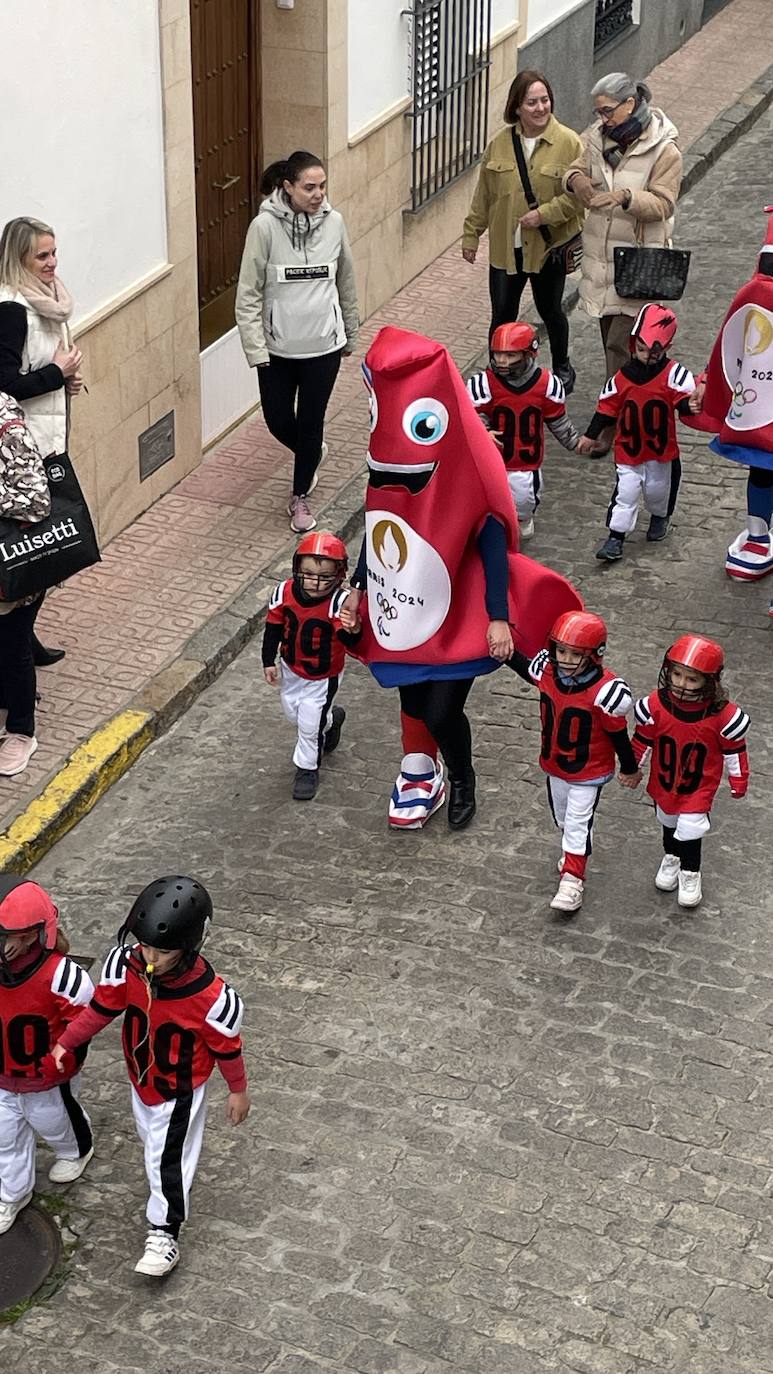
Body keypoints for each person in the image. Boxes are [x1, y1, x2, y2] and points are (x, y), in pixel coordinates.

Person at [339, 325, 582, 832]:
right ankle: (419, 771)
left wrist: (498, 620)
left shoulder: (473, 488)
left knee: (443, 709)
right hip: (406, 610)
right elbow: (378, 532)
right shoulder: (392, 484)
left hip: (462, 614)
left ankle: (463, 777)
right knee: (410, 692)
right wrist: (358, 589)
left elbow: (495, 555)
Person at [52, 876, 250, 1277]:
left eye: (162, 951)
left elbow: (227, 1048)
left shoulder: (211, 999)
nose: (150, 957)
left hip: (179, 1091)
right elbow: (101, 1010)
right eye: (144, 945)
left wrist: (238, 1091)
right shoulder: (126, 967)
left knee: (166, 1159)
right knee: (153, 1148)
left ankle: (165, 1232)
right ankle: (166, 1201)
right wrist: (66, 1042)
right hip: (141, 1082)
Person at [236, 151, 359, 534]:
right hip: (278, 351)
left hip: (324, 347)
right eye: (309, 187)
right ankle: (312, 453)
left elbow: (347, 281)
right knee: (277, 420)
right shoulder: (264, 228)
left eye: (322, 186)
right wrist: (256, 349)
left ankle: (300, 495)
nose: (318, 194)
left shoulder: (335, 223)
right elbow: (248, 294)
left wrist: (350, 333)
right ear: (287, 188)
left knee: (311, 421)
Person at [506, 612, 640, 913]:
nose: (565, 659)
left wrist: (629, 767)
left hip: (588, 770)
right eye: (561, 651)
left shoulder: (606, 691)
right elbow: (526, 669)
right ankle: (574, 851)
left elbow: (618, 734)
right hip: (555, 765)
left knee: (577, 824)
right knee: (564, 819)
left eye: (575, 653)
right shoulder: (549, 673)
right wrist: (504, 651)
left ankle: (572, 880)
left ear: (594, 655)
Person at [461, 70, 584, 394]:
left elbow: (578, 199)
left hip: (547, 248)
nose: (541, 108)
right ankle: (497, 374)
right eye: (532, 102)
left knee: (550, 310)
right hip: (506, 248)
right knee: (502, 312)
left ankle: (561, 365)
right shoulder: (500, 144)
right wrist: (472, 234)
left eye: (545, 100)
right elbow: (484, 195)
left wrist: (542, 215)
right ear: (517, 107)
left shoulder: (570, 143)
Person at [0, 216, 84, 667]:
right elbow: (4, 383)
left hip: (47, 438)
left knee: (46, 547)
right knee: (33, 547)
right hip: (22, 453)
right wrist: (57, 373)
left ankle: (22, 637)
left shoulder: (47, 300)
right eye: (42, 256)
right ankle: (18, 643)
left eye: (54, 253)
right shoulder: (12, 309)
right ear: (20, 259)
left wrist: (62, 378)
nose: (52, 263)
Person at [683, 207, 773, 612]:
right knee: (763, 471)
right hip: (761, 413)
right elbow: (729, 348)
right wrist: (710, 385)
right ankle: (758, 533)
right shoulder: (753, 296)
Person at [564, 73, 683, 378]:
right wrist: (576, 182)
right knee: (612, 343)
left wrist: (626, 197)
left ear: (630, 104)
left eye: (608, 110)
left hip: (638, 261)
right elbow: (575, 169)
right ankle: (628, 405)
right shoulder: (597, 137)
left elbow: (664, 204)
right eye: (598, 112)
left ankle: (615, 416)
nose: (603, 118)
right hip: (601, 260)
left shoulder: (663, 149)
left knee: (621, 344)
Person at [0, 876, 95, 1235]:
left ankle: (76, 1149)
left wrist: (64, 1058)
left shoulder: (62, 977)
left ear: (27, 936)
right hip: (4, 1076)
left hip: (46, 1079)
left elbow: (84, 1021)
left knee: (56, 1124)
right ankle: (12, 1193)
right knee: (4, 1137)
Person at [632, 636, 749, 909]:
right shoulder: (657, 704)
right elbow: (643, 738)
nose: (681, 684)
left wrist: (739, 778)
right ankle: (671, 857)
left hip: (698, 785)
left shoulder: (722, 716)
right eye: (677, 674)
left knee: (690, 829)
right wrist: (632, 766)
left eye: (692, 679)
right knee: (669, 823)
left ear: (710, 682)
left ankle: (690, 872)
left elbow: (734, 750)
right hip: (665, 780)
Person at [581, 304, 695, 562]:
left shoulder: (673, 375)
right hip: (628, 451)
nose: (644, 356)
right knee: (626, 493)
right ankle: (615, 537)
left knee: (658, 491)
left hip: (660, 451)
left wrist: (692, 405)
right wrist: (591, 434)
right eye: (640, 349)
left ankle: (659, 517)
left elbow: (682, 403)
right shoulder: (622, 378)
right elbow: (607, 408)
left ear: (666, 349)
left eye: (651, 351)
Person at [262, 532, 361, 801]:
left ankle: (306, 768)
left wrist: (353, 628)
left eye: (324, 576)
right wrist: (267, 661)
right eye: (308, 574)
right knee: (294, 714)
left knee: (307, 725)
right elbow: (272, 628)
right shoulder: (283, 592)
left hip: (322, 675)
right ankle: (331, 721)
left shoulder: (338, 602)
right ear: (297, 569)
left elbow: (348, 637)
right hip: (291, 668)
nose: (315, 583)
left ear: (338, 575)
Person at [466, 321, 581, 538]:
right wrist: (483, 432)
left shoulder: (546, 384)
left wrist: (574, 442)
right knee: (484, 500)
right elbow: (473, 415)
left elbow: (557, 420)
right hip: (492, 459)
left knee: (524, 500)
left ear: (528, 354)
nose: (502, 361)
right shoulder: (484, 384)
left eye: (509, 356)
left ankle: (523, 518)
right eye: (498, 355)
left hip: (524, 463)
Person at [0, 391, 53, 776]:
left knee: (12, 644)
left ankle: (21, 731)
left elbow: (35, 500)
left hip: (11, 570)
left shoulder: (5, 422)